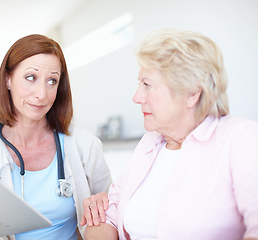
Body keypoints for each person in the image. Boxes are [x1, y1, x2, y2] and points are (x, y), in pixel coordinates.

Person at [82, 29, 258, 240]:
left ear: (192, 93)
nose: (136, 97)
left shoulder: (241, 139)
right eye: (139, 84)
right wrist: (98, 214)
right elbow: (106, 217)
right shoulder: (149, 143)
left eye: (147, 85)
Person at [0, 34, 112, 240]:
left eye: (52, 81)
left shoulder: (84, 144)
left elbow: (110, 213)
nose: (42, 94)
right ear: (7, 79)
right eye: (31, 77)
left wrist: (104, 211)